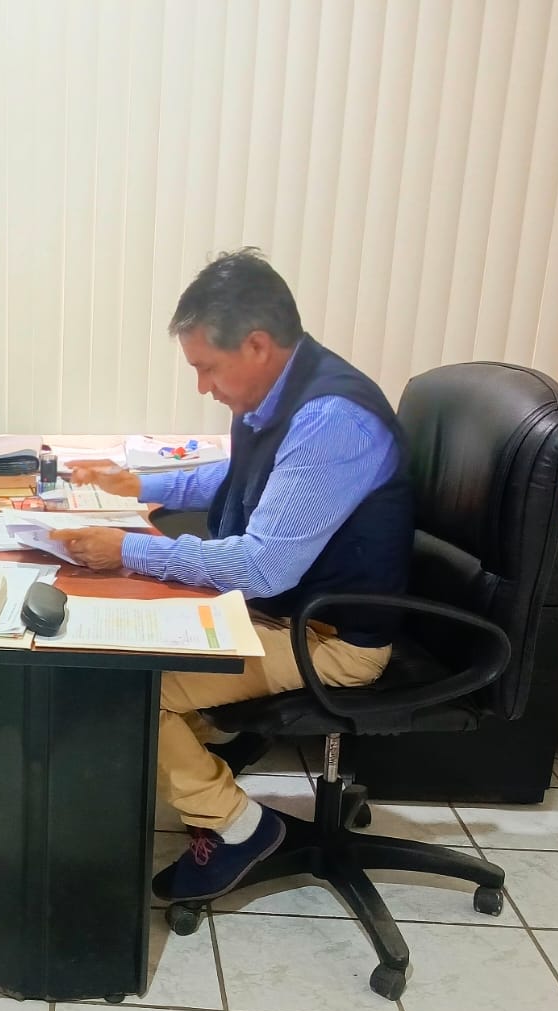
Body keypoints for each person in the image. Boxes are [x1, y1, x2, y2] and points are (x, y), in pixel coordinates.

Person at [55, 249, 412, 904]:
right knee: (126, 639)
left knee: (124, 686)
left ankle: (240, 827)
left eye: (206, 368)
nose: (202, 387)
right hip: (291, 612)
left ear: (256, 345)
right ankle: (206, 758)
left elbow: (262, 566)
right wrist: (139, 484)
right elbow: (241, 475)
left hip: (329, 637)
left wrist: (128, 550)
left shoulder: (329, 419)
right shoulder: (284, 397)